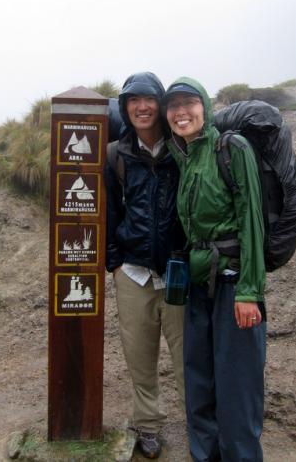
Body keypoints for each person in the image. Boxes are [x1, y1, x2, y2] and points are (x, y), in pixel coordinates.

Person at [164, 77, 267, 462]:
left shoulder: (231, 148)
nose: (180, 112)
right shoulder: (184, 156)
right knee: (200, 382)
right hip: (196, 285)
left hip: (231, 283)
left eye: (189, 103)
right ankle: (203, 456)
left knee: (237, 385)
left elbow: (251, 221)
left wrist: (249, 291)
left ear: (204, 108)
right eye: (173, 106)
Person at [104, 72, 185, 459]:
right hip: (132, 272)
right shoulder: (115, 155)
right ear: (124, 106)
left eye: (149, 98)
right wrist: (114, 263)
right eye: (132, 100)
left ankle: (199, 423)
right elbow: (108, 209)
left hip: (178, 272)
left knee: (188, 355)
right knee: (139, 355)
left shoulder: (182, 148)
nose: (141, 106)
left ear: (161, 103)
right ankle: (147, 425)